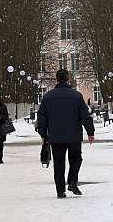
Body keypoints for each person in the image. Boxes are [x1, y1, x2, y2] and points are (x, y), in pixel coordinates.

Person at [37, 69, 95, 198]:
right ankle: (72, 182)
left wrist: (43, 134)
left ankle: (60, 191)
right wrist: (90, 132)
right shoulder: (76, 96)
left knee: (58, 163)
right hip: (74, 135)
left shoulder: (48, 97)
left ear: (57, 79)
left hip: (55, 136)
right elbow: (85, 115)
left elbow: (42, 117)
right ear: (68, 79)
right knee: (76, 159)